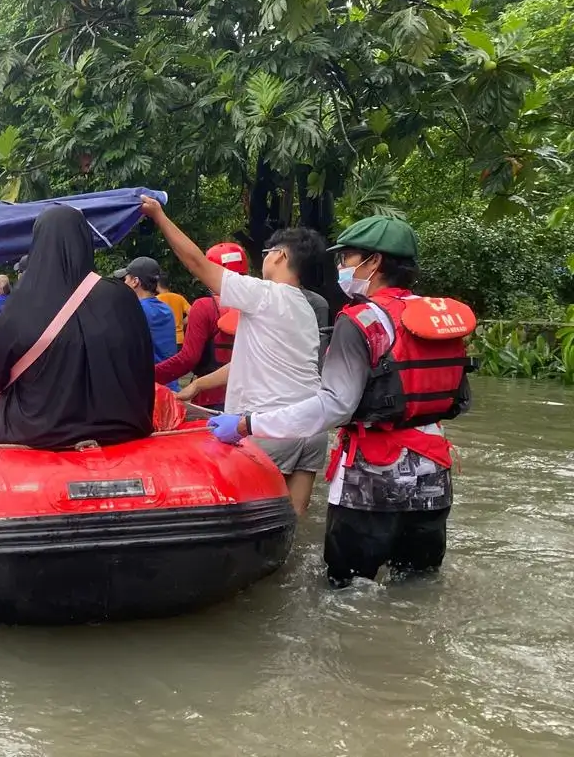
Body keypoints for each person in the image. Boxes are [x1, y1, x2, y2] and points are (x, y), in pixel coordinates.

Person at [207, 216, 473, 586]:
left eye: (347, 258)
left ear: (374, 262)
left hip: (372, 478)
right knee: (416, 586)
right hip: (433, 475)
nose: (341, 268)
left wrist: (245, 423)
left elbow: (333, 406)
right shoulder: (436, 317)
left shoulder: (359, 320)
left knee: (346, 590)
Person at [141, 197, 327, 518]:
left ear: (280, 255)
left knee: (248, 515)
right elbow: (245, 363)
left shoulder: (263, 294)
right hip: (312, 429)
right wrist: (198, 387)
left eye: (267, 254)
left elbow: (198, 263)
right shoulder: (306, 308)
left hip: (270, 427)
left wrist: (158, 216)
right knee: (293, 519)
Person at [0, 204, 156, 450]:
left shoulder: (23, 303)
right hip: (122, 432)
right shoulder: (121, 296)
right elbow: (143, 364)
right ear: (85, 241)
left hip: (36, 435)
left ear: (38, 244)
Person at [155, 243, 248, 409]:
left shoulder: (204, 307)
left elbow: (188, 359)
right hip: (252, 397)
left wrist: (149, 376)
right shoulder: (259, 303)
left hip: (212, 399)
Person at [115, 257, 180, 374]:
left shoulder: (135, 310)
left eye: (126, 279)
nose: (124, 283)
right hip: (168, 381)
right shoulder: (166, 309)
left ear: (135, 281)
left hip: (147, 383)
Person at [156, 273, 190, 347]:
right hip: (179, 339)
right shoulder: (179, 298)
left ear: (157, 285)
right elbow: (192, 314)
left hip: (163, 340)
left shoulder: (156, 300)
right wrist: (182, 322)